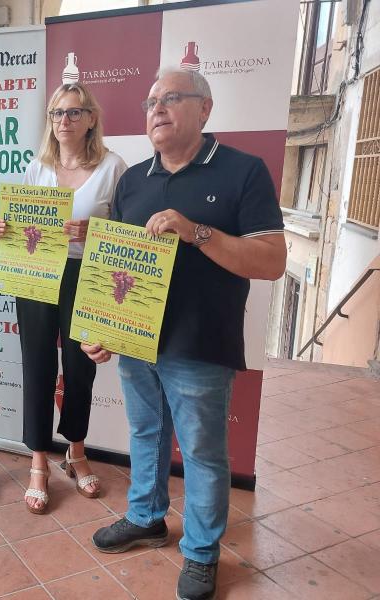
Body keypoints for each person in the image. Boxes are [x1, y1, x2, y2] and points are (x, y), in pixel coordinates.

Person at [83, 68, 286, 600]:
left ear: (205, 108)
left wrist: (196, 232)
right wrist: (102, 326)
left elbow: (272, 261)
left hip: (201, 342)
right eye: (151, 101)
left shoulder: (243, 171)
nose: (157, 108)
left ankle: (200, 552)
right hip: (137, 340)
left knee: (201, 452)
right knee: (145, 435)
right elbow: (115, 266)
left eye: (171, 98)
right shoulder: (133, 180)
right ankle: (146, 518)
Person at [0, 83, 126, 514]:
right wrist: (3, 229)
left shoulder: (113, 167)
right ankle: (38, 461)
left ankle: (76, 451)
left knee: (81, 367)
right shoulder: (38, 168)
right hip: (37, 273)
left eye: (73, 112)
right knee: (37, 365)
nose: (63, 121)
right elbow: (21, 223)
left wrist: (96, 231)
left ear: (91, 119)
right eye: (56, 113)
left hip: (87, 275)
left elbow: (131, 232)